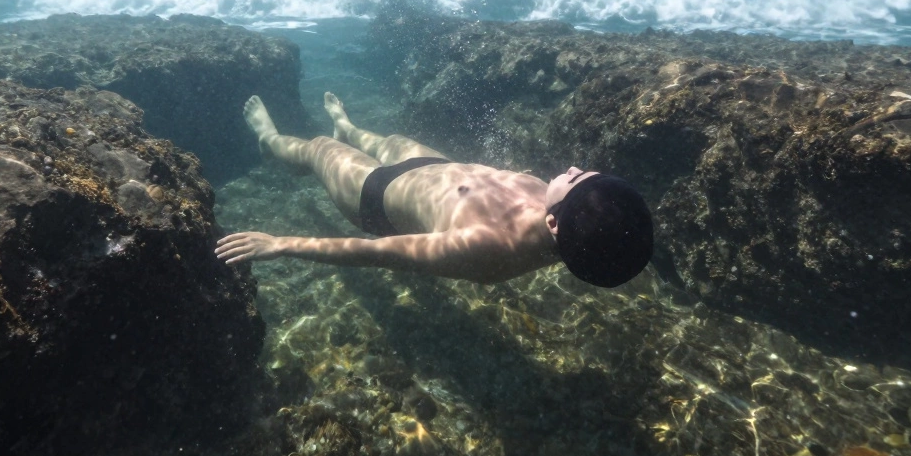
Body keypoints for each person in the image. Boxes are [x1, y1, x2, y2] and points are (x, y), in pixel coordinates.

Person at [216, 93, 653, 286]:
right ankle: (348, 127)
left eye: (576, 178)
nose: (574, 167)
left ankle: (269, 142)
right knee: (383, 140)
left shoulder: (488, 247)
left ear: (553, 222)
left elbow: (376, 254)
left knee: (317, 148)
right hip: (434, 167)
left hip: (373, 195)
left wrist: (282, 244)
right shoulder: (569, 219)